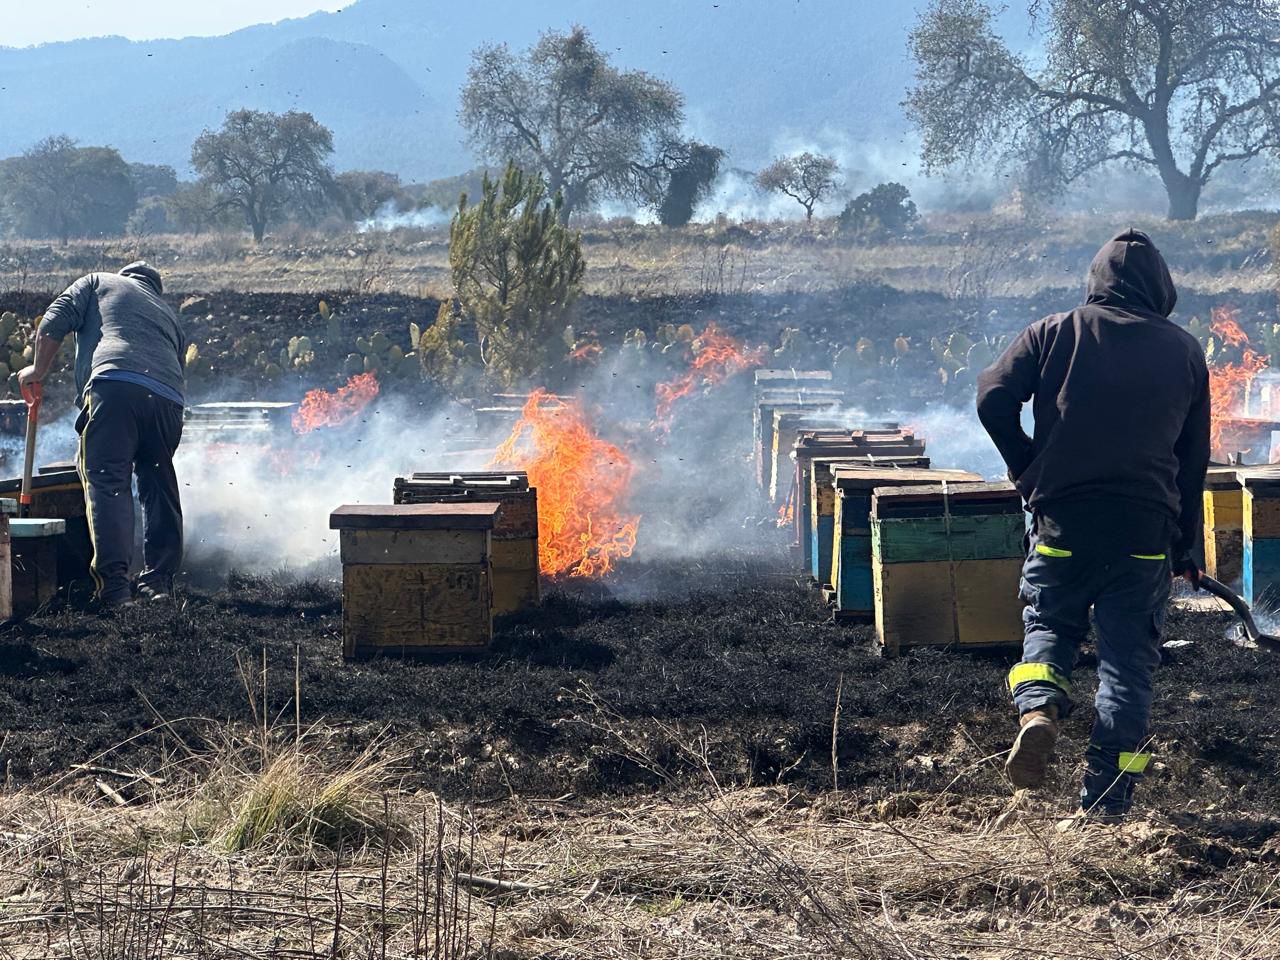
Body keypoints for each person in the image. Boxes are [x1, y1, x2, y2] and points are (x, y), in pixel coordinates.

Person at [976, 229, 1210, 820]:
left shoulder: (1052, 331)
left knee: (1050, 623)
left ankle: (1039, 708)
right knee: (1128, 668)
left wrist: (1027, 467)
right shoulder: (1183, 350)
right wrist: (1188, 545)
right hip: (1144, 537)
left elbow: (992, 397)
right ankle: (1106, 800)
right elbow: (1192, 461)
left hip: (1064, 524)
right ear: (1162, 289)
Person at [18, 261, 187, 608]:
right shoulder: (166, 313)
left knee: (108, 481)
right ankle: (159, 584)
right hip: (169, 403)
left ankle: (114, 590)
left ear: (126, 276)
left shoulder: (98, 282)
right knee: (159, 485)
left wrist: (36, 370)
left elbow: (53, 320)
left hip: (115, 388)